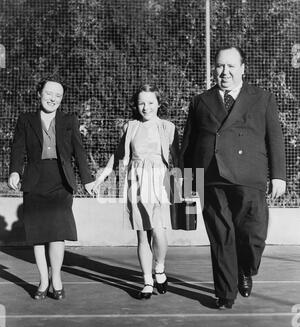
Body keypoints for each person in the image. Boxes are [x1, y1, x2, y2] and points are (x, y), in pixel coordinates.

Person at [180, 45, 286, 309]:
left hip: (249, 176)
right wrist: (186, 182)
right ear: (214, 69)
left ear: (242, 68)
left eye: (230, 66)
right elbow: (188, 145)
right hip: (211, 177)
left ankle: (245, 269)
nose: (224, 72)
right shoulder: (200, 101)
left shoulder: (262, 98)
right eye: (219, 66)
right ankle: (225, 292)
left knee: (253, 235)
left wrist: (279, 176)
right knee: (221, 236)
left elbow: (274, 138)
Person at [8, 75, 94, 300]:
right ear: (39, 94)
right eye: (48, 93)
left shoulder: (69, 120)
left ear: (62, 99)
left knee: (57, 234)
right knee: (38, 234)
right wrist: (15, 171)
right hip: (35, 181)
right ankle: (43, 281)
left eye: (58, 95)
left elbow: (79, 151)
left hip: (61, 181)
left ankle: (56, 278)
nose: (52, 99)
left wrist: (87, 179)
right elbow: (17, 148)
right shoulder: (25, 119)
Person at [93, 84, 180, 299]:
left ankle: (159, 268)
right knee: (143, 236)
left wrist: (185, 187)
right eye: (142, 102)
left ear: (159, 104)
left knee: (159, 232)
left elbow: (178, 159)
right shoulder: (130, 126)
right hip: (136, 182)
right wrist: (101, 178)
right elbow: (117, 155)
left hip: (160, 182)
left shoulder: (168, 128)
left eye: (151, 102)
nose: (146, 107)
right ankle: (147, 282)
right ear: (136, 105)